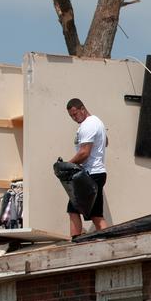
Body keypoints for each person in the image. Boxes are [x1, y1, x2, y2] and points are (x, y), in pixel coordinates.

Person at [65, 97, 109, 237]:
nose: (73, 118)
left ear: (82, 109)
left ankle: (75, 242)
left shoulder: (88, 125)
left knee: (73, 208)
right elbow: (105, 141)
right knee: (96, 215)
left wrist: (67, 165)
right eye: (71, 116)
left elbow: (84, 153)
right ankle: (108, 242)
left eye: (75, 114)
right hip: (98, 173)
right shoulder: (97, 122)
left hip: (91, 174)